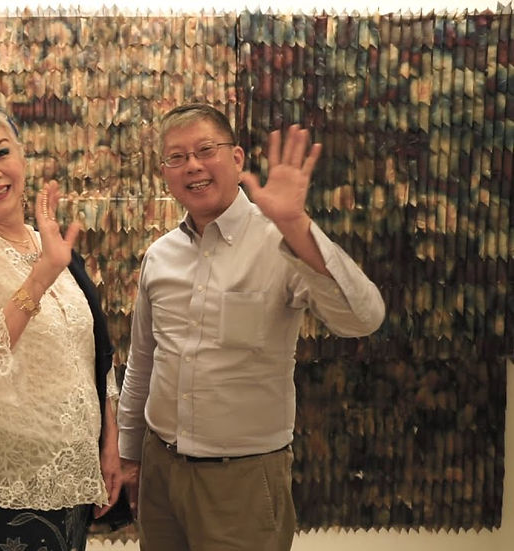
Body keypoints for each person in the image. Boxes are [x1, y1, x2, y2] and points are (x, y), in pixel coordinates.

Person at [117, 103, 385, 551]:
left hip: (242, 480)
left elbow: (363, 318)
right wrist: (128, 454)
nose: (193, 166)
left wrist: (296, 224)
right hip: (160, 471)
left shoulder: (281, 241)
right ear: (164, 172)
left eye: (206, 150)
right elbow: (143, 362)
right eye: (177, 157)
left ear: (237, 158)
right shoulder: (160, 255)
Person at [0, 97, 122, 551]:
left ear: (21, 158)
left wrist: (110, 442)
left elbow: (92, 350)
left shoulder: (52, 244)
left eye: (1, 153)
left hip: (79, 469)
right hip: (16, 478)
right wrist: (40, 278)